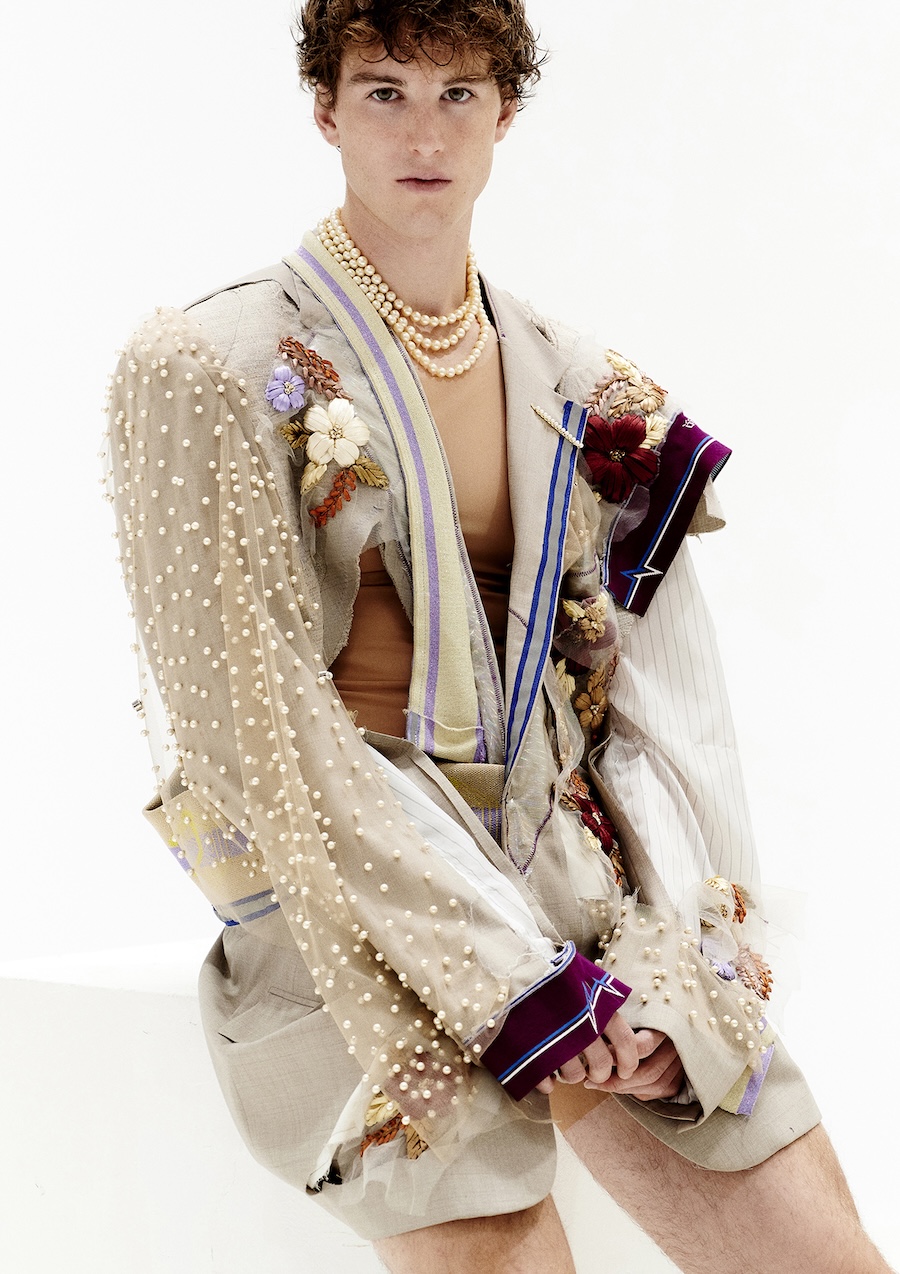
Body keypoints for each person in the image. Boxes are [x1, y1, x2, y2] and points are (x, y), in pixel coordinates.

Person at [104, 2, 892, 1270]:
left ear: (505, 114)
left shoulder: (571, 375)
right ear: (325, 110)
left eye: (458, 94)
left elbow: (661, 714)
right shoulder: (210, 362)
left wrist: (677, 969)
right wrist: (510, 983)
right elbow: (248, 731)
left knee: (824, 1253)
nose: (425, 133)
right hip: (347, 909)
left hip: (560, 874)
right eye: (385, 91)